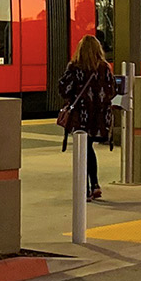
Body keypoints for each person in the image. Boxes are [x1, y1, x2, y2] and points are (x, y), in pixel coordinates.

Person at [57, 33, 114, 201]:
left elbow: (64, 89)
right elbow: (111, 91)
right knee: (89, 149)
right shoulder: (105, 67)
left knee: (83, 150)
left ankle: (87, 188)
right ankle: (94, 185)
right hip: (100, 117)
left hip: (81, 115)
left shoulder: (75, 67)